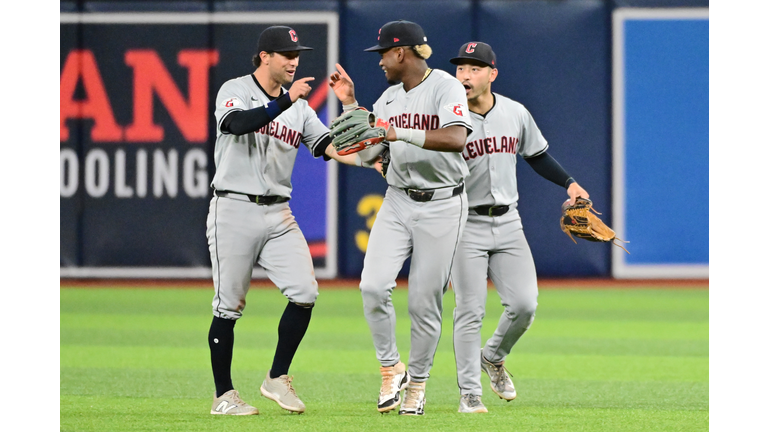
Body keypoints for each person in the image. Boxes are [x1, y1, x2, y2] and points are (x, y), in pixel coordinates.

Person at [206, 25, 360, 416]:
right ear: (264, 57)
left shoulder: (301, 109)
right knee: (228, 306)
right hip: (234, 207)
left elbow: (329, 147)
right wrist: (285, 102)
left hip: (278, 212)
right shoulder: (234, 90)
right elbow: (235, 124)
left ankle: (276, 378)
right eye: (286, 54)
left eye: (297, 55)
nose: (294, 61)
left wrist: (370, 157)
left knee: (305, 292)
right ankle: (223, 396)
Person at [328, 20, 472, 416]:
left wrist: (398, 135)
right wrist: (349, 105)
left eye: (383, 55)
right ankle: (391, 367)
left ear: (402, 52)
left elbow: (457, 138)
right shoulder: (388, 99)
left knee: (424, 302)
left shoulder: (445, 86)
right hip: (397, 199)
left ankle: (419, 384)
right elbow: (371, 151)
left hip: (444, 203)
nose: (380, 62)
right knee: (372, 286)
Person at [448, 42, 590, 413]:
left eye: (475, 68)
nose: (465, 74)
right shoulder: (448, 116)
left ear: (492, 74)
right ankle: (469, 392)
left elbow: (537, 155)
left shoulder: (515, 112)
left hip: (509, 220)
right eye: (461, 67)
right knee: (469, 310)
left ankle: (493, 356)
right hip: (464, 223)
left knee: (525, 305)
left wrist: (570, 183)